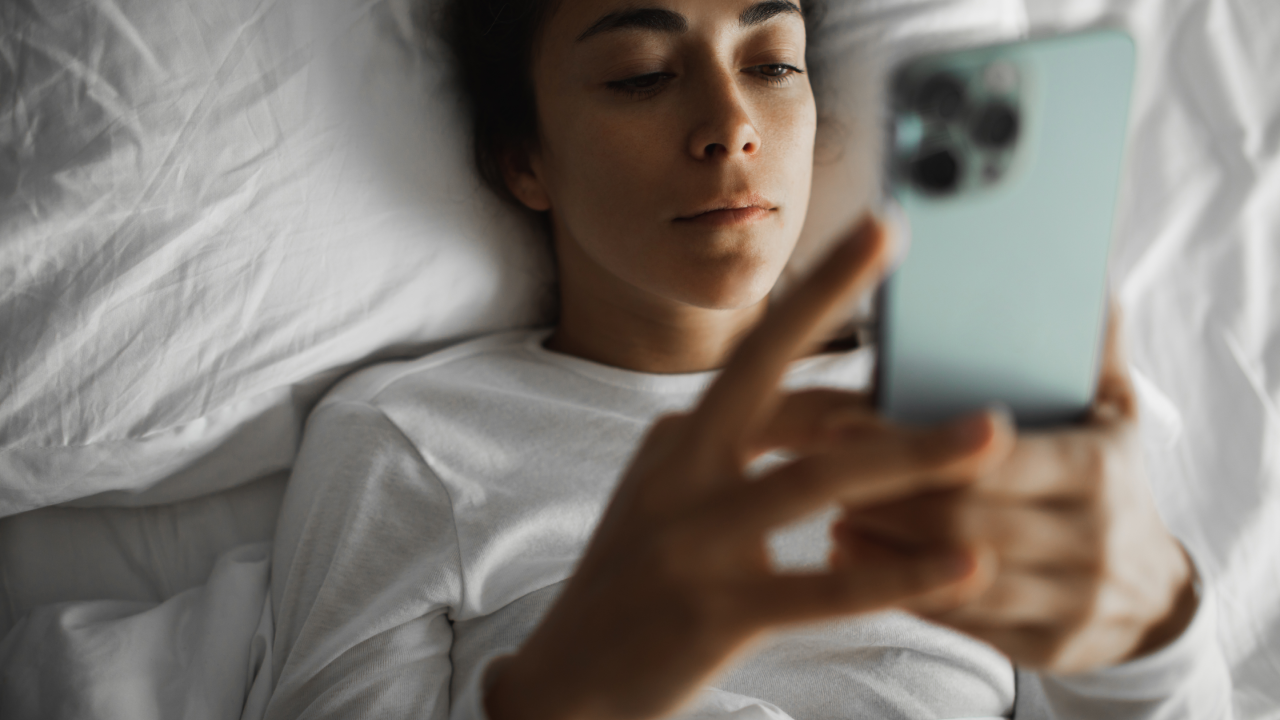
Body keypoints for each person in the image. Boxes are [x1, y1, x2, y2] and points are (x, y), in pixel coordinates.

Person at [262, 1, 1232, 718]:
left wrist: (1146, 637)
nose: (730, 122)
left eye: (770, 63)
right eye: (641, 74)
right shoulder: (408, 439)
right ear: (525, 158)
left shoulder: (965, 414)